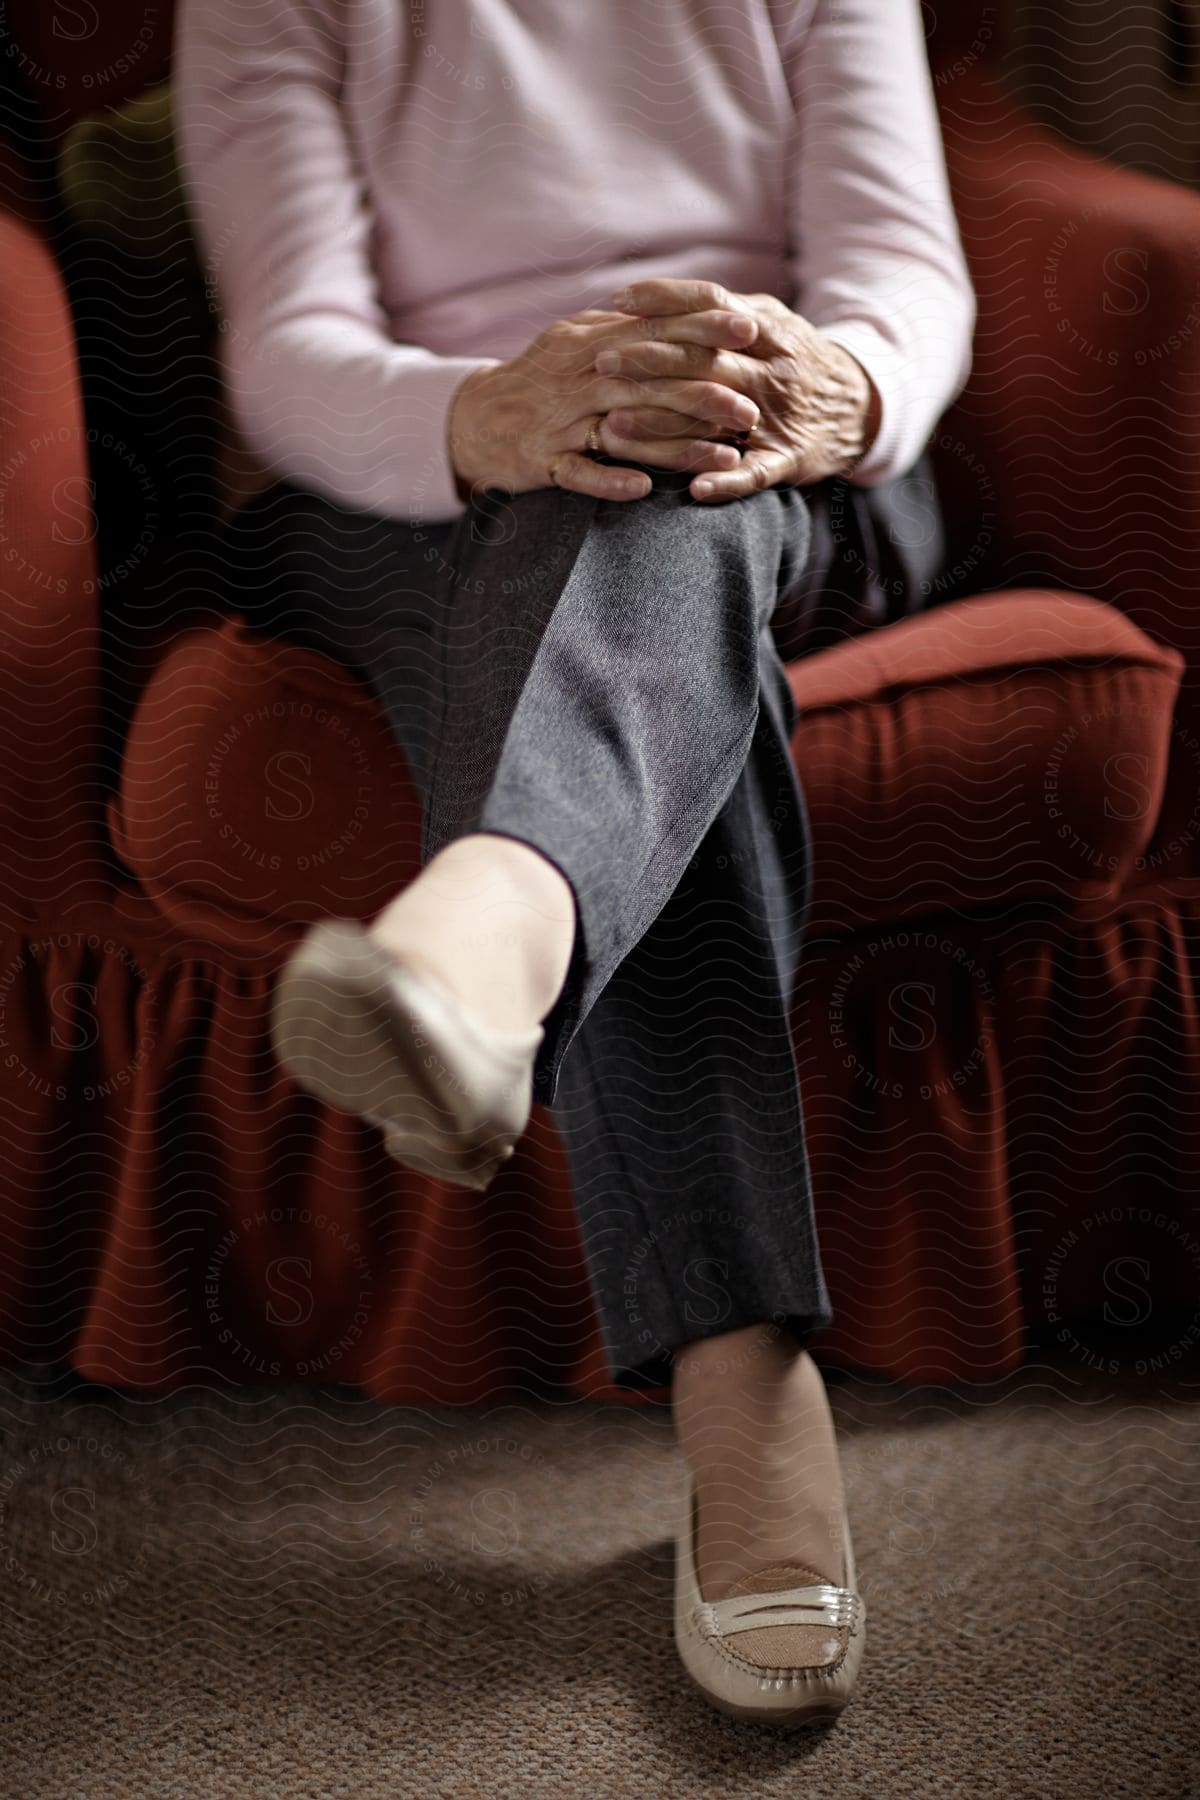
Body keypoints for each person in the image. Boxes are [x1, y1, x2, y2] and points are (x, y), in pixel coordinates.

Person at [175, 0, 975, 1727]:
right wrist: (505, 412)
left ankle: (494, 932)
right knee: (604, 511)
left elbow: (910, 268)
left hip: (780, 463)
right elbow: (291, 345)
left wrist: (846, 387)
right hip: (418, 473)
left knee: (659, 498)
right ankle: (749, 1391)